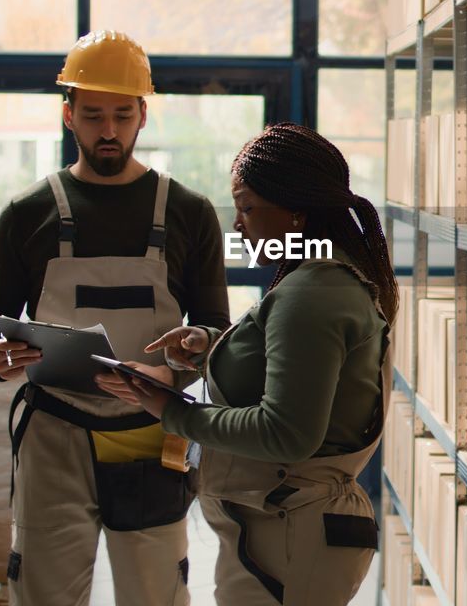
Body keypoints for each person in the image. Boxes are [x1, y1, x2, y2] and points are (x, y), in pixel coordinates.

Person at [0, 30, 230, 606]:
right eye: (92, 115)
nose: (107, 131)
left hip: (150, 434)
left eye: (120, 114)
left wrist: (191, 353)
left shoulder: (188, 213)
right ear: (69, 115)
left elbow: (215, 328)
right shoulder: (27, 214)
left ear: (143, 114)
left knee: (154, 594)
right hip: (54, 433)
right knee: (43, 592)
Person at [97, 123, 397, 605]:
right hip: (280, 529)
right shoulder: (321, 279)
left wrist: (172, 411)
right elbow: (292, 365)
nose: (237, 224)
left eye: (247, 207)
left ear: (295, 211)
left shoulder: (313, 292)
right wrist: (211, 346)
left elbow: (287, 433)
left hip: (290, 537)